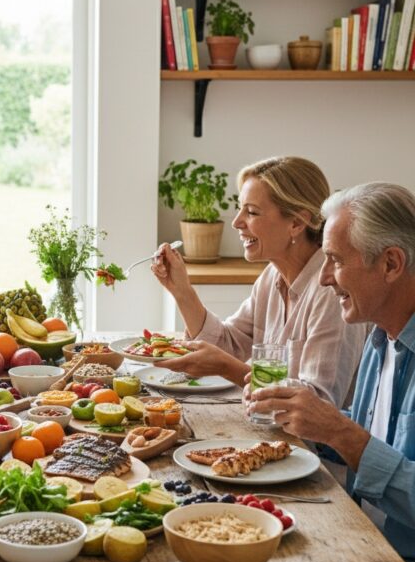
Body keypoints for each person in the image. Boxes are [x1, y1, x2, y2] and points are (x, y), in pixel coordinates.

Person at [249, 182, 415, 562]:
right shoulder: (380, 337)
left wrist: (340, 432)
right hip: (359, 538)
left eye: (335, 261)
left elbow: (361, 444)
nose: (323, 278)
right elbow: (376, 435)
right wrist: (312, 422)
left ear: (391, 264)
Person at [151, 156, 368, 406]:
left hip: (313, 445)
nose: (236, 222)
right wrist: (181, 290)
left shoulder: (331, 290)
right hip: (273, 430)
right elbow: (227, 344)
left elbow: (318, 403)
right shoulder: (272, 277)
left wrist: (226, 367)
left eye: (252, 212)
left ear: (297, 222)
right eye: (240, 208)